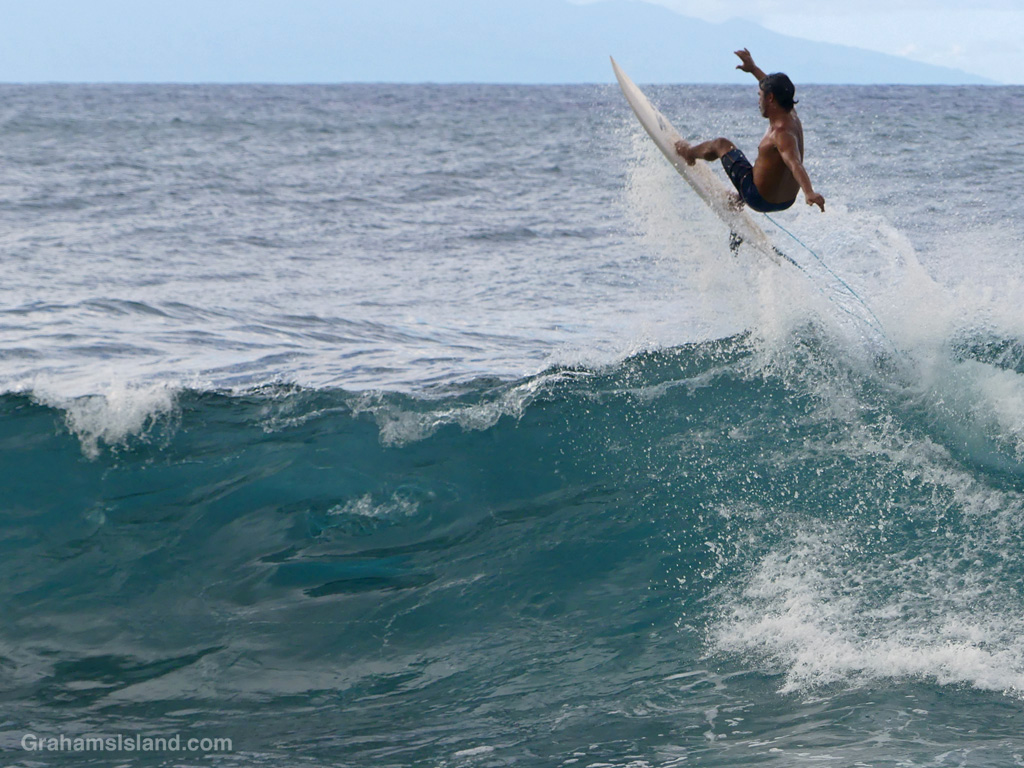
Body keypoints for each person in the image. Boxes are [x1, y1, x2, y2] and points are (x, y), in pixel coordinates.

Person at [675, 49, 825, 213]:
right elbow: (770, 85)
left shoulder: (781, 132)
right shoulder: (791, 114)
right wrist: (753, 68)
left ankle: (688, 153)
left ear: (770, 98)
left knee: (721, 144)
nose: (758, 101)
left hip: (758, 199)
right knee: (765, 163)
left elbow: (794, 163)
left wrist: (809, 192)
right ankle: (739, 199)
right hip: (786, 201)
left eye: (760, 96)